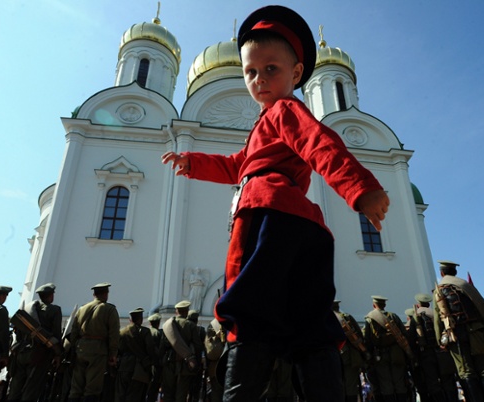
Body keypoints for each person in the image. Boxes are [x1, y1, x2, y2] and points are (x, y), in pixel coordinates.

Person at [161, 5, 389, 401]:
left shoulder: (285, 109)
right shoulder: (265, 124)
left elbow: (319, 144)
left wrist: (360, 189)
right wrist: (193, 162)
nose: (259, 80)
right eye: (250, 72)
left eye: (271, 69)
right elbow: (237, 166)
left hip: (267, 219)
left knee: (249, 313)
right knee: (310, 324)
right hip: (303, 224)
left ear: (297, 74)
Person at [433, 260, 484, 401]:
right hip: (479, 332)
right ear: (455, 272)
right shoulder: (466, 286)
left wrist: (440, 340)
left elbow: (438, 318)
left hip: (457, 335)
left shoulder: (440, 289)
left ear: (442, 273)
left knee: (466, 372)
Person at [7, 283, 63, 402]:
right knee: (32, 388)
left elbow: (19, 333)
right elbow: (56, 334)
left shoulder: (27, 309)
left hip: (22, 352)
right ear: (51, 296)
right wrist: (58, 354)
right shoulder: (54, 310)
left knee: (15, 387)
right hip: (39, 354)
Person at [67, 283, 120, 402]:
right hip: (98, 350)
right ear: (106, 294)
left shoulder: (82, 309)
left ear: (94, 294)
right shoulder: (109, 309)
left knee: (76, 387)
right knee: (92, 388)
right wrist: (113, 353)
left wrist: (75, 348)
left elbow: (74, 331)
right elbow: (114, 334)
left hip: (80, 348)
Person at [406, 293, 457, 402]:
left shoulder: (417, 315)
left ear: (418, 304)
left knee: (433, 383)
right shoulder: (436, 313)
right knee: (447, 381)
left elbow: (411, 339)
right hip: (442, 350)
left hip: (426, 354)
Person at [363, 295, 412, 402]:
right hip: (397, 354)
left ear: (374, 305)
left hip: (380, 356)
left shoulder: (370, 318)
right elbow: (404, 335)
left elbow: (367, 340)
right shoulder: (393, 316)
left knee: (386, 385)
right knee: (399, 383)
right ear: (384, 305)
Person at [159, 300, 203, 402]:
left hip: (169, 363)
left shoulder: (167, 325)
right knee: (181, 395)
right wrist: (196, 364)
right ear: (186, 312)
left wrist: (161, 363)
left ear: (176, 311)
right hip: (185, 364)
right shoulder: (191, 325)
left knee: (168, 393)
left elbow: (162, 346)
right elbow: (198, 346)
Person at [115, 308, 155, 402]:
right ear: (140, 319)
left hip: (123, 367)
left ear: (130, 319)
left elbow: (118, 350)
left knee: (121, 395)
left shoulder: (122, 332)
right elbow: (150, 349)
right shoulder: (145, 332)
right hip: (139, 369)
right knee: (134, 396)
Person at [332, 300, 368, 402]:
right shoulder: (347, 317)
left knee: (337, 385)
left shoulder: (326, 319)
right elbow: (360, 337)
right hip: (350, 358)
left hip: (334, 358)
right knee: (351, 386)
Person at [145, 313, 163, 402]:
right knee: (154, 387)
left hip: (146, 364)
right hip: (156, 364)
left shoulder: (146, 332)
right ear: (158, 323)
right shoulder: (157, 333)